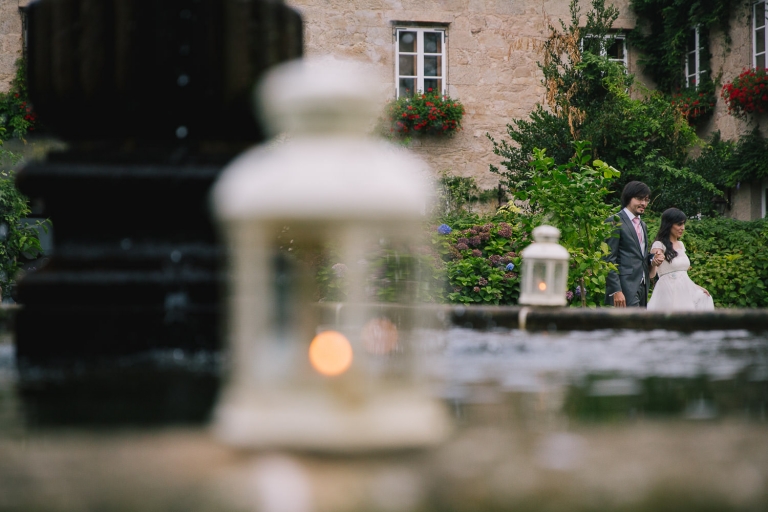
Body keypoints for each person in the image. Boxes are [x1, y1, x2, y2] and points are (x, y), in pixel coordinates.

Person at [604, 181, 662, 307]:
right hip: (624, 287)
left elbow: (640, 256)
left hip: (643, 286)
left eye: (646, 200)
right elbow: (608, 259)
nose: (644, 203)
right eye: (639, 199)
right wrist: (616, 290)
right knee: (630, 325)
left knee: (640, 326)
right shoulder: (614, 222)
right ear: (628, 198)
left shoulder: (643, 225)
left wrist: (653, 258)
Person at [647, 208, 714, 311]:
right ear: (668, 224)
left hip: (684, 291)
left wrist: (695, 287)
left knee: (704, 298)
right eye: (679, 224)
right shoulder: (659, 245)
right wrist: (655, 260)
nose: (682, 228)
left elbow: (682, 276)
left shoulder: (681, 245)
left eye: (683, 224)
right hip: (668, 291)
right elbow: (652, 268)